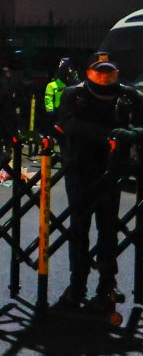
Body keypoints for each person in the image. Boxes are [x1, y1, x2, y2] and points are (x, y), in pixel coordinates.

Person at [54, 52, 143, 311]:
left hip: (112, 169)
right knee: (79, 229)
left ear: (116, 70)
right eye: (99, 70)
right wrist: (110, 135)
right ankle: (77, 282)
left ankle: (107, 283)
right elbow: (68, 124)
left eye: (108, 70)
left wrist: (130, 134)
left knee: (108, 229)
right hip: (80, 170)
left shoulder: (130, 95)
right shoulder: (74, 94)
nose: (104, 75)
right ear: (89, 71)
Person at [43, 57, 77, 134]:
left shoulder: (73, 82)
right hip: (57, 111)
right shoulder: (52, 85)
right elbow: (48, 98)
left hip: (70, 110)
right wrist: (50, 109)